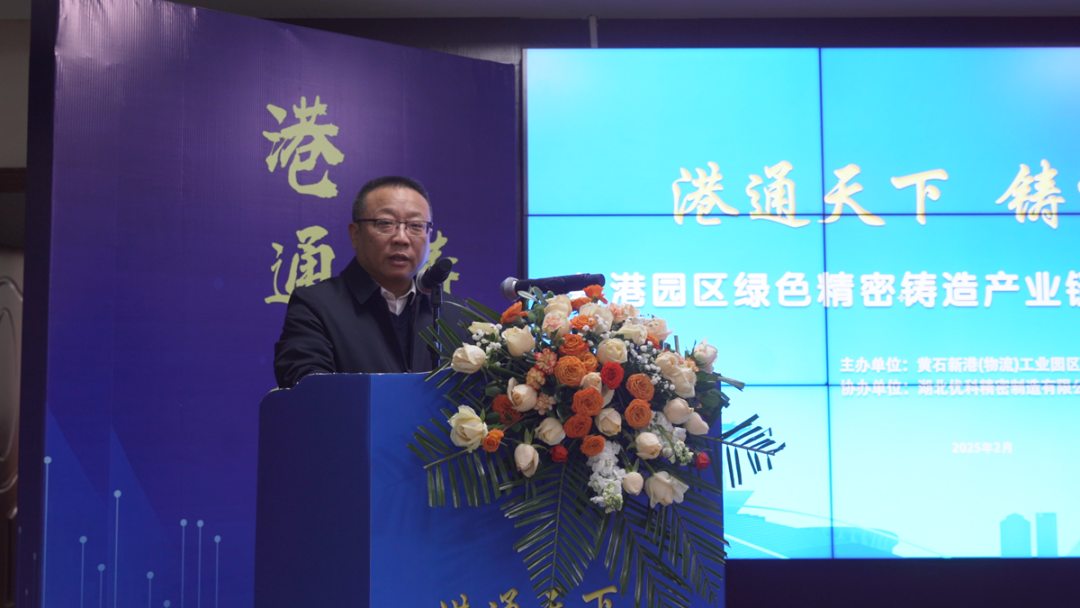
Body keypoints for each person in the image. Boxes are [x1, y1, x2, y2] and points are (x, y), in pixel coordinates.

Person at [274, 176, 466, 388]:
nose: (401, 238)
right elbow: (309, 390)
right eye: (385, 223)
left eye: (415, 225)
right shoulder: (316, 306)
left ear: (429, 235)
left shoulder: (454, 313)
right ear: (355, 234)